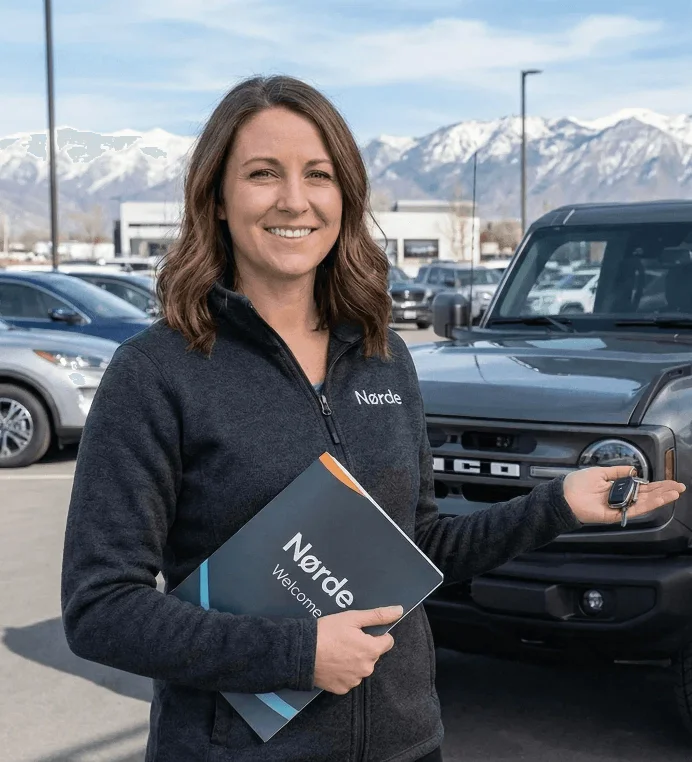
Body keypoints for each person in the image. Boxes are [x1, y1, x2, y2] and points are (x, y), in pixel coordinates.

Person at [61, 75, 685, 762]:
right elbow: (102, 609)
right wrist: (297, 652)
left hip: (405, 744)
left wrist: (555, 507)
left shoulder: (385, 358)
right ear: (216, 199)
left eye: (318, 175)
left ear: (345, 197)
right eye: (263, 174)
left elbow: (418, 550)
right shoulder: (155, 373)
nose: (293, 200)